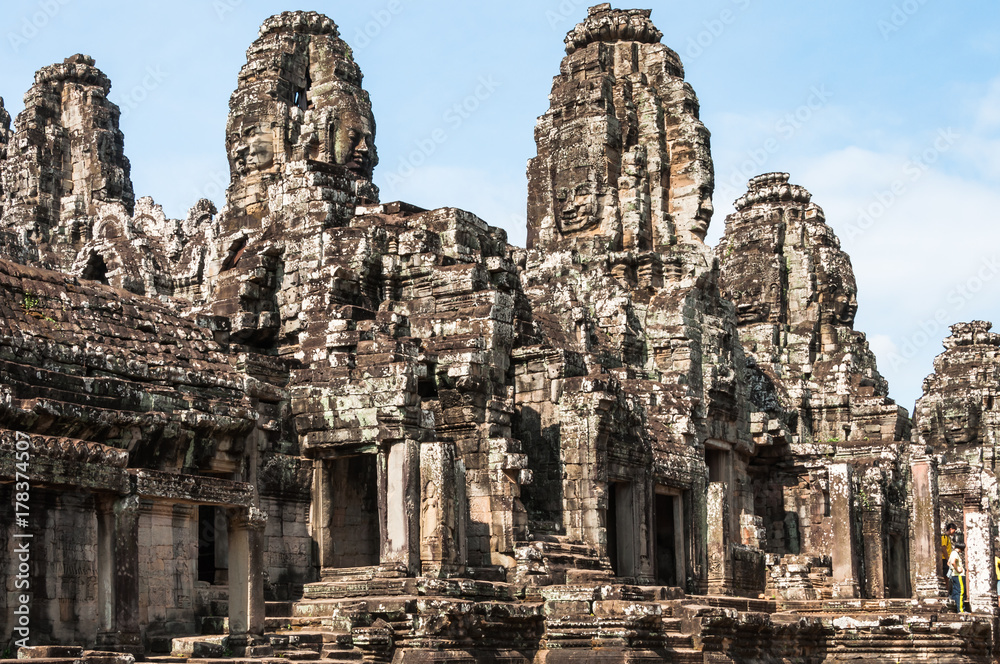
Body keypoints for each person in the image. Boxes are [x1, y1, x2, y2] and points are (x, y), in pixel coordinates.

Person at [948, 542, 968, 613]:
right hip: (958, 575)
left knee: (956, 591)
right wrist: (957, 569)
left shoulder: (953, 553)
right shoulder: (955, 553)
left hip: (955, 575)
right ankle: (961, 610)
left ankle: (956, 608)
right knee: (961, 591)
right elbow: (953, 562)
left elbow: (949, 563)